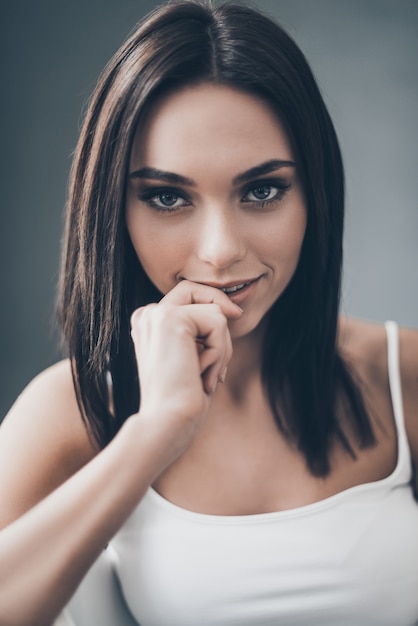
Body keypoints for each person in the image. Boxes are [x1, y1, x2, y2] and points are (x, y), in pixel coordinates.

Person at [0, 1, 417, 624]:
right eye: (168, 197)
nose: (220, 251)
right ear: (116, 208)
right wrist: (154, 431)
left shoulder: (401, 374)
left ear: (316, 193)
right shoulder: (76, 409)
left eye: (263, 190)